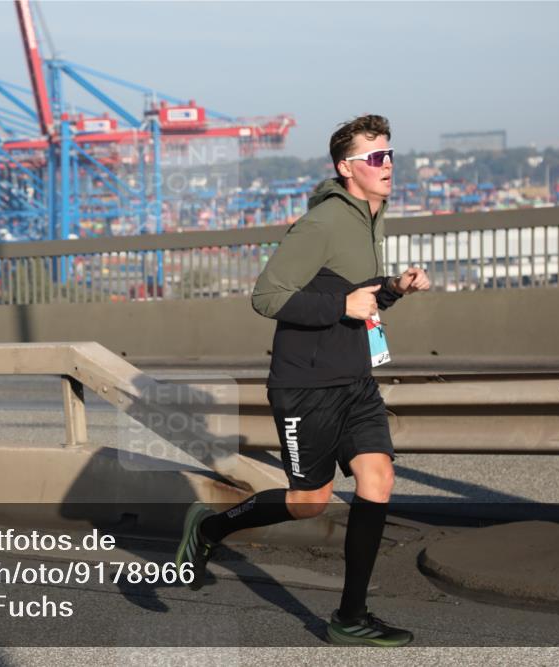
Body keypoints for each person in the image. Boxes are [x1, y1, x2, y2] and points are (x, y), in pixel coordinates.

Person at [176, 114, 430, 647]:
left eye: (390, 154)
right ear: (347, 168)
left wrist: (392, 287)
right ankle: (209, 527)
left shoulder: (371, 216)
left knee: (377, 480)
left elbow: (355, 296)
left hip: (354, 378)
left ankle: (350, 615)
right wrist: (343, 302)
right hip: (306, 386)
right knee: (309, 501)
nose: (388, 165)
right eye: (376, 157)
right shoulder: (322, 224)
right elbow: (266, 296)